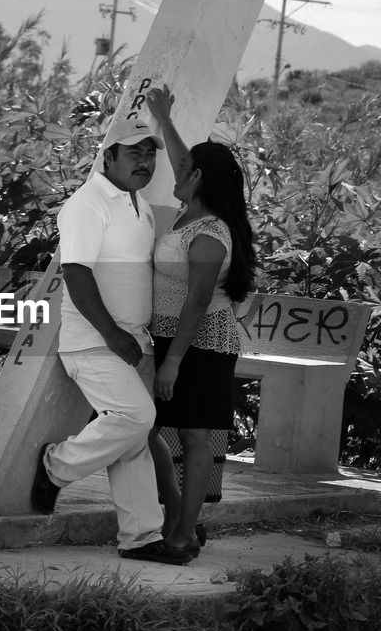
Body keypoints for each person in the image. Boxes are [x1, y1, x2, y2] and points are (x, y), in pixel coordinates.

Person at [29, 113, 195, 566]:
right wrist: (111, 332)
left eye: (149, 154)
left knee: (134, 443)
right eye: (134, 152)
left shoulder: (137, 204)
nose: (144, 161)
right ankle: (56, 466)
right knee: (135, 418)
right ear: (109, 156)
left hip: (133, 340)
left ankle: (141, 539)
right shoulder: (87, 204)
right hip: (94, 341)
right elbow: (76, 272)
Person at [144, 84, 257, 558]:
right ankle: (180, 518)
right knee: (145, 430)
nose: (177, 170)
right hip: (170, 339)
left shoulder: (210, 234)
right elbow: (181, 159)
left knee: (191, 437)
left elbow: (195, 304)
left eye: (187, 169)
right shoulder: (192, 214)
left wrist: (171, 363)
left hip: (200, 345)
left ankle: (183, 533)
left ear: (200, 180)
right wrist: (164, 117)